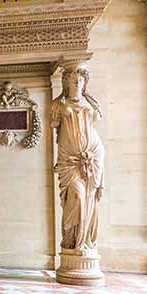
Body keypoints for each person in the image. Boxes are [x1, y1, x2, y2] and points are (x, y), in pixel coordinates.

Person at [50, 65, 105, 253]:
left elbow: (96, 120)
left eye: (79, 81)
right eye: (72, 81)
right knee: (76, 196)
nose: (76, 84)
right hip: (70, 162)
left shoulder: (91, 104)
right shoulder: (59, 104)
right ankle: (72, 240)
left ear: (84, 83)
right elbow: (55, 125)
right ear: (65, 83)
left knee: (90, 200)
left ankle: (85, 242)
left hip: (93, 158)